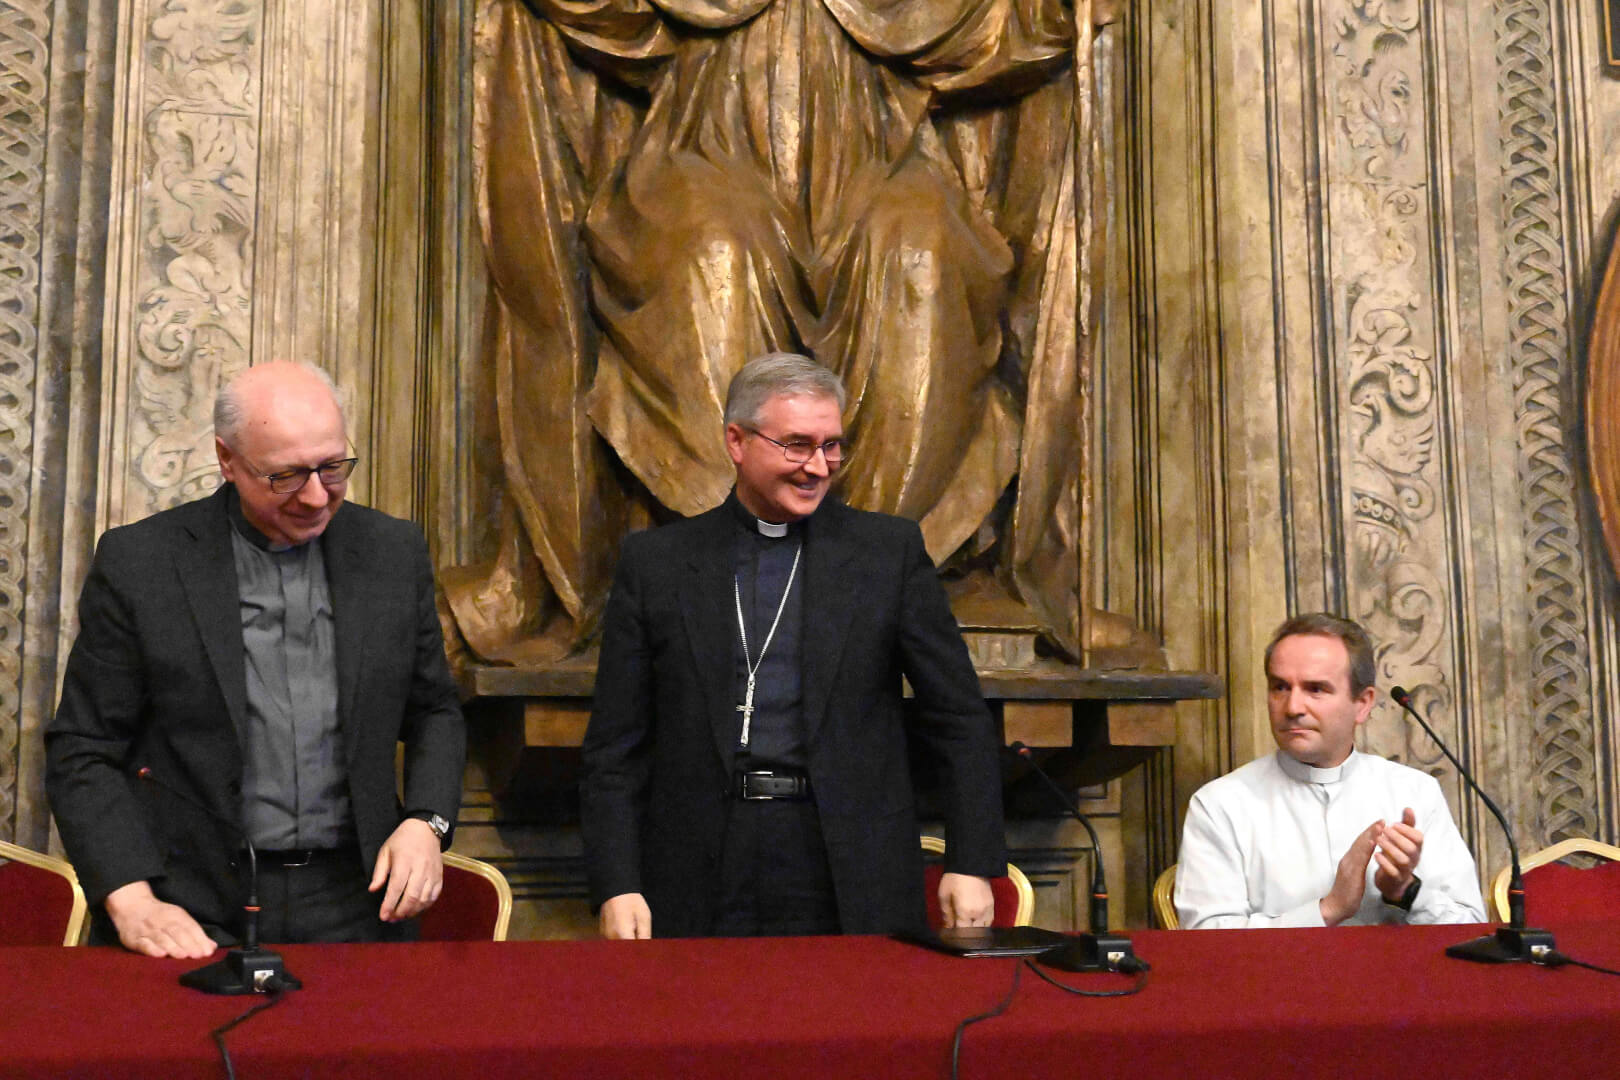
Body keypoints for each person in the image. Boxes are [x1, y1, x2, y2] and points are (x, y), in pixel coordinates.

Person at [46, 362, 466, 957]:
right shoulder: (142, 563)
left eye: (332, 467)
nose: (316, 496)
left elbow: (434, 711)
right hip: (189, 904)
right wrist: (130, 897)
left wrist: (427, 822)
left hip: (358, 902)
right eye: (286, 476)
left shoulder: (392, 552)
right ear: (227, 460)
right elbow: (84, 747)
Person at [582, 353, 1006, 939]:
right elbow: (615, 746)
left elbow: (958, 717)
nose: (817, 466)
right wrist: (616, 882)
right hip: (698, 860)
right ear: (737, 441)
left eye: (831, 446)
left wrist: (970, 862)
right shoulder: (658, 564)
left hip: (848, 856)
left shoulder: (886, 554)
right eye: (797, 445)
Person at [1174, 613, 1486, 929]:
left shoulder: (1415, 792)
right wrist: (1327, 910)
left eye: (1316, 689)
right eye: (1280, 687)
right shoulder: (1220, 805)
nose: (1292, 707)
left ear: (1362, 704)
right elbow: (1206, 940)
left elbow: (1471, 927)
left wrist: (1406, 891)